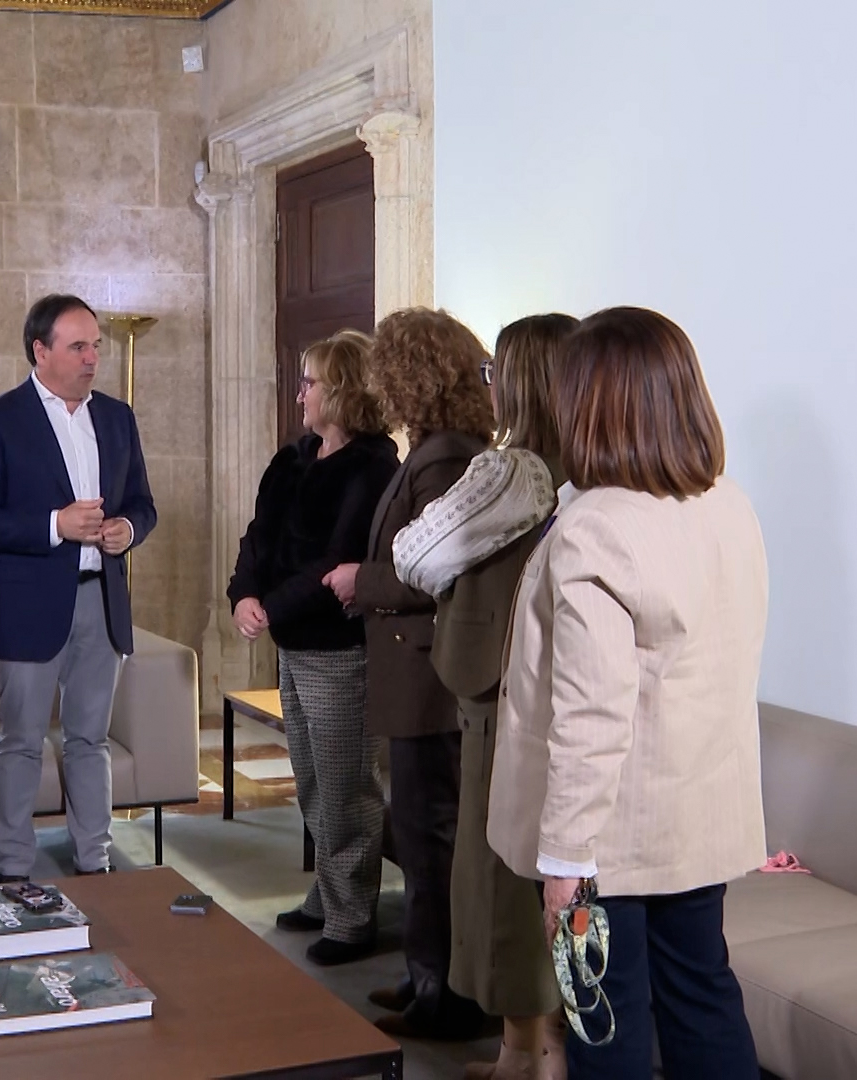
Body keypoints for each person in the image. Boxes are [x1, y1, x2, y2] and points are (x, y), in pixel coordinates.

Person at [489, 307, 768, 1079]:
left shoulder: (597, 526)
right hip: (698, 815)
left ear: (591, 401)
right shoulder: (729, 504)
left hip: (604, 839)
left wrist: (563, 859)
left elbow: (592, 711)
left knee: (601, 1026)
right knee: (703, 999)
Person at [394, 314, 576, 1080]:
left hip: (503, 694)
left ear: (522, 382)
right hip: (551, 691)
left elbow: (416, 555)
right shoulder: (589, 472)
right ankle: (528, 1051)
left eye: (495, 372)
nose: (487, 387)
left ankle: (528, 1057)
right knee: (529, 882)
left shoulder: (514, 472)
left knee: (503, 883)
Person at [322, 308, 493, 1040]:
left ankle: (448, 995)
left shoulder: (447, 456)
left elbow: (435, 571)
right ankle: (428, 973)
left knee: (432, 843)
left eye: (387, 366)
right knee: (422, 840)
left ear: (412, 373)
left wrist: (362, 580)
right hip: (418, 674)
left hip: (431, 679)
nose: (377, 381)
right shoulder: (432, 449)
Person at [0, 294, 156, 881]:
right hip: (28, 605)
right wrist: (54, 525)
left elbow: (143, 503)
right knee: (20, 741)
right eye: (79, 347)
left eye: (96, 346)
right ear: (40, 351)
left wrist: (127, 530)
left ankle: (95, 861)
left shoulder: (116, 417)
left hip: (102, 601)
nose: (93, 358)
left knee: (90, 740)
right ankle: (15, 865)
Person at [227, 330, 399, 966]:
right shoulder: (294, 457)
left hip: (339, 648)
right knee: (310, 781)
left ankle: (352, 918)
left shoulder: (372, 467)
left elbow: (337, 558)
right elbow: (257, 535)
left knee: (346, 785)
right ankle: (328, 894)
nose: (300, 394)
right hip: (294, 645)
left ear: (343, 391)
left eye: (311, 382)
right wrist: (243, 594)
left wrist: (273, 605)